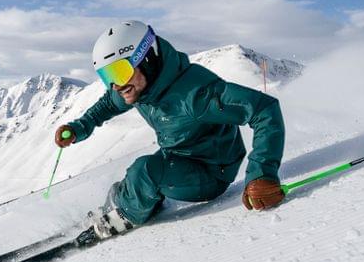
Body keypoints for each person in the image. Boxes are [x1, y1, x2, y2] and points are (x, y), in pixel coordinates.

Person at [56, 20, 286, 239]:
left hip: (212, 172)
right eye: (108, 76)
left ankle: (124, 217)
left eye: (119, 72)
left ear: (147, 58)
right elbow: (108, 104)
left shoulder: (195, 94)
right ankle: (115, 208)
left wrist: (262, 174)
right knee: (126, 185)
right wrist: (78, 128)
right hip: (178, 157)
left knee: (143, 172)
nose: (116, 85)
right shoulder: (139, 87)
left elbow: (264, 110)